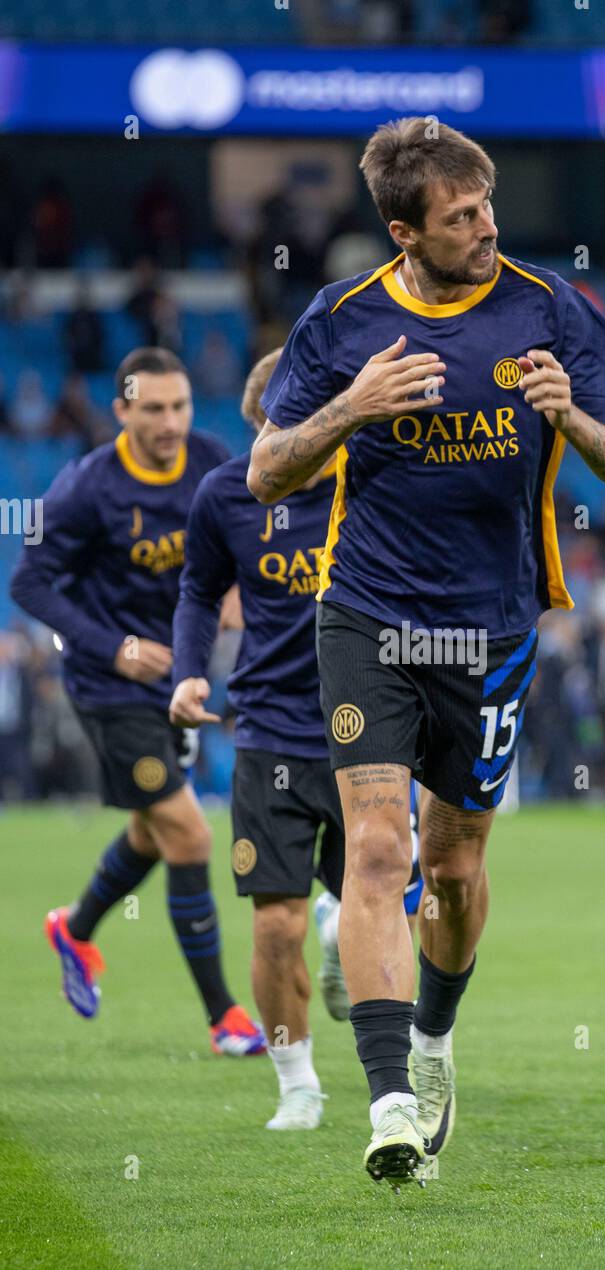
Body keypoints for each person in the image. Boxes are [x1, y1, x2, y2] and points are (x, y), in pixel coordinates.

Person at [247, 118, 605, 1187]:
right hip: (366, 614)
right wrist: (351, 404)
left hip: (492, 629)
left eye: (487, 206)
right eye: (460, 216)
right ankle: (385, 1102)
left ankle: (430, 1037)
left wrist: (577, 418)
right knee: (377, 851)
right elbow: (267, 473)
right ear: (401, 231)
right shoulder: (340, 322)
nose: (485, 226)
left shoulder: (548, 308)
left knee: (453, 865)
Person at [170, 350, 424, 1129]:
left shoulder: (379, 479)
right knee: (274, 919)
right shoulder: (225, 495)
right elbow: (198, 589)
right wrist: (187, 673)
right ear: (265, 427)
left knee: (392, 905)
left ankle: (343, 944)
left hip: (371, 731)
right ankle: (298, 1084)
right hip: (271, 733)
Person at [10, 347, 265, 1055]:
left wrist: (243, 584)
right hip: (107, 687)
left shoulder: (212, 459)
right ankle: (224, 1019)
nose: (170, 421)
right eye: (152, 408)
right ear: (121, 411)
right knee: (189, 832)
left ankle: (75, 928)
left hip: (174, 682)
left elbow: (240, 531)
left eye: (179, 405)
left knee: (155, 831)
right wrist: (114, 645)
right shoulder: (87, 488)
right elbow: (29, 584)